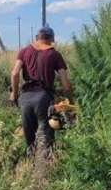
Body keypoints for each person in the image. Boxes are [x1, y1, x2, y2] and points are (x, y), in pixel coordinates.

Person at [9, 25, 72, 165]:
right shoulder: (55, 54)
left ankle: (28, 172)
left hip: (25, 97)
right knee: (45, 135)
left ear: (37, 38)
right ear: (51, 39)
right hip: (44, 97)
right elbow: (65, 84)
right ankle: (42, 178)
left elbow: (14, 74)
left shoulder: (24, 51)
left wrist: (14, 93)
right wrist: (70, 100)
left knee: (29, 136)